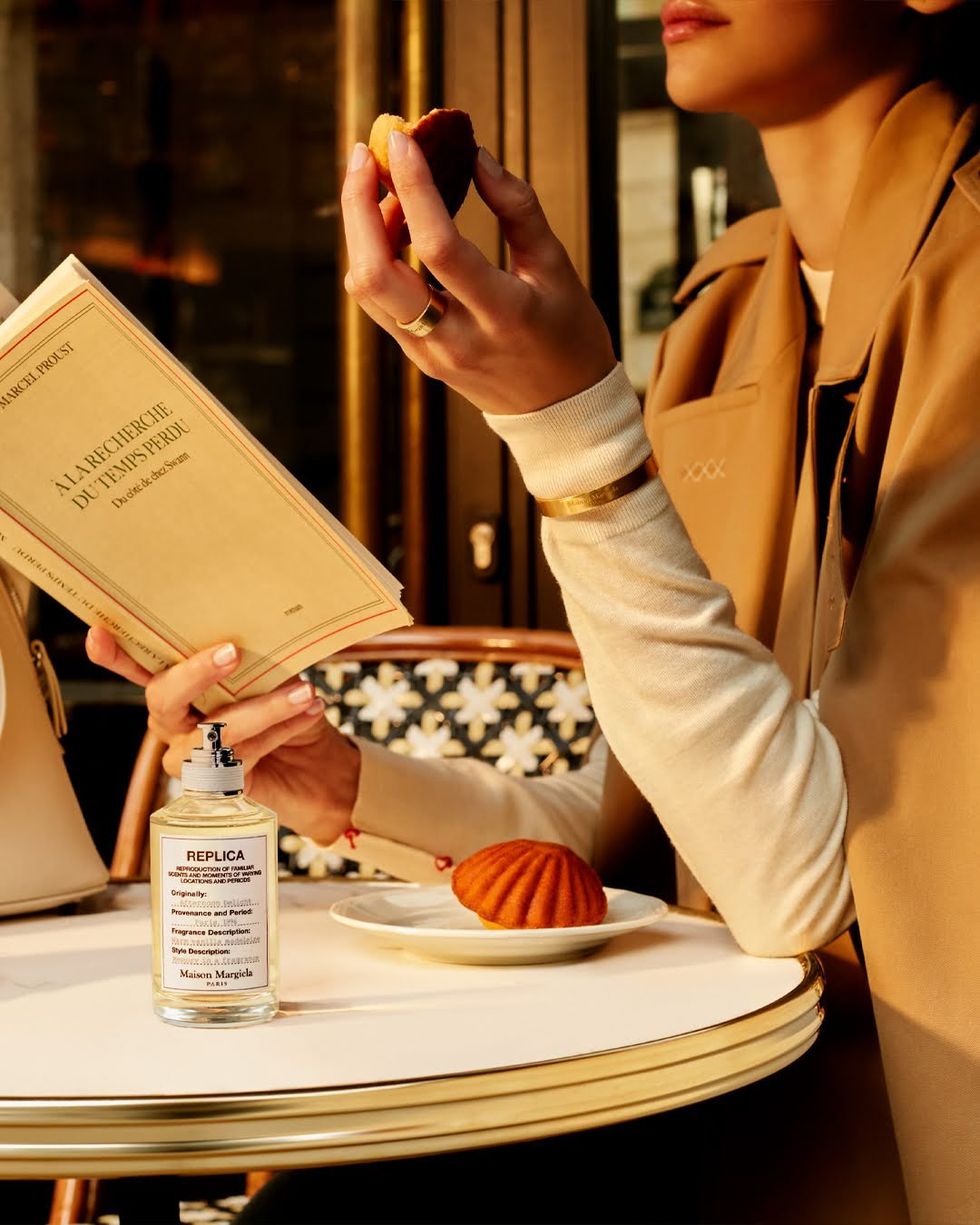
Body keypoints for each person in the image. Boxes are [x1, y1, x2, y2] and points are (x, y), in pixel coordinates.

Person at [88, 2, 980, 1220]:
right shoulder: (729, 308)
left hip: (875, 1119)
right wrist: (347, 780)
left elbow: (820, 894)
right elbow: (670, 828)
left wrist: (575, 437)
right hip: (693, 1066)